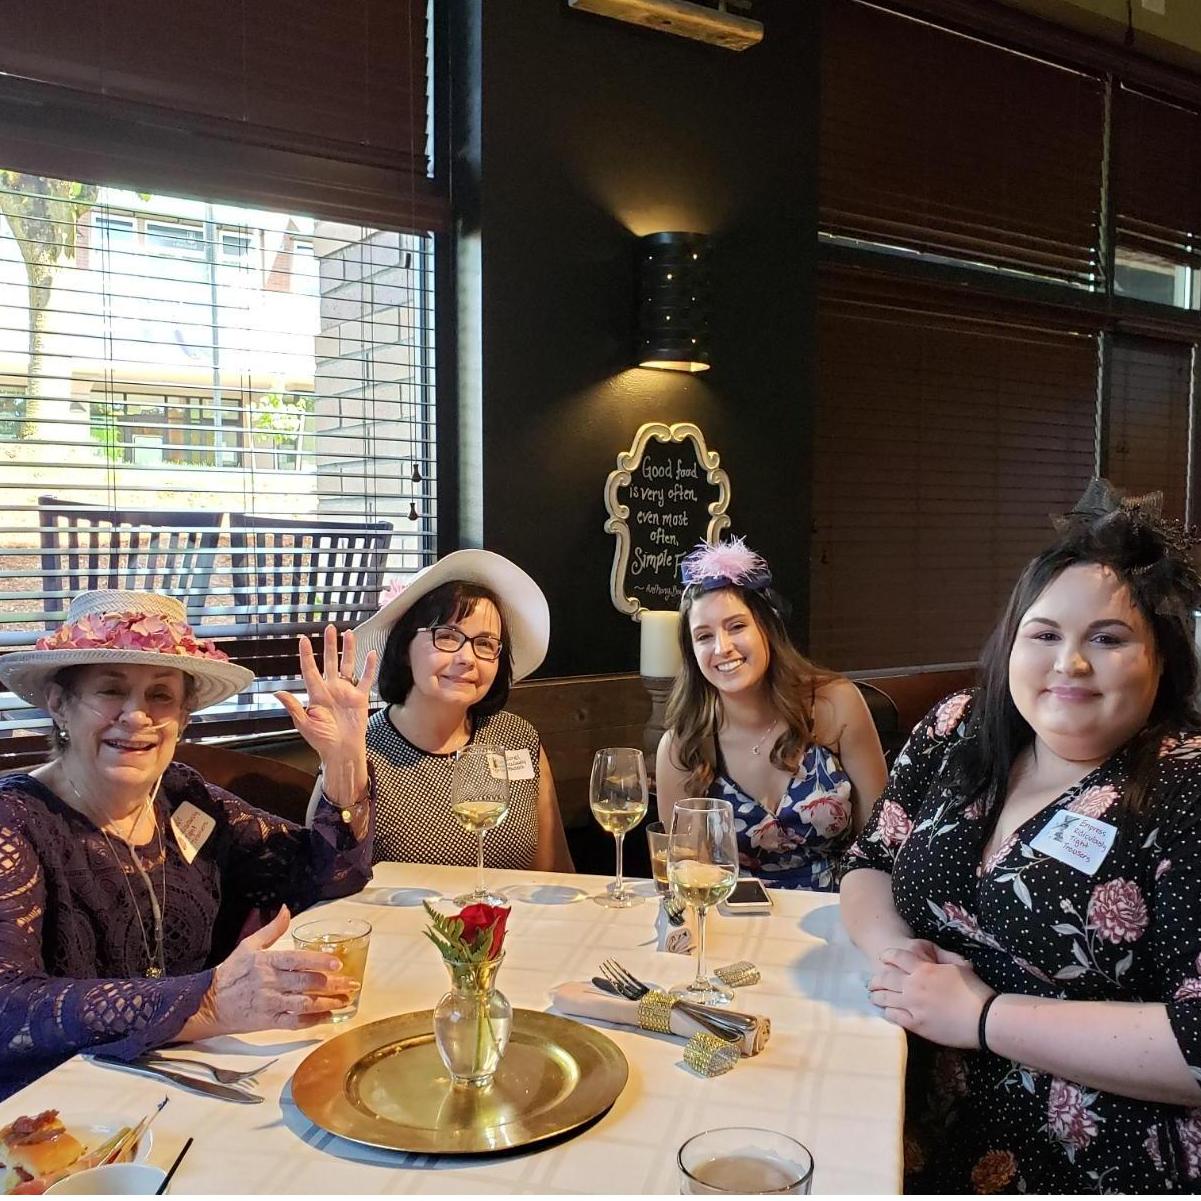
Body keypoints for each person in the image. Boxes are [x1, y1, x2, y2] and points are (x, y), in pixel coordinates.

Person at [842, 480, 1201, 1193]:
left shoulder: (1184, 787)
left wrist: (981, 1015)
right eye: (1044, 635)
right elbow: (868, 861)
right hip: (902, 1121)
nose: (1068, 663)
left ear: (1160, 660)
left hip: (1093, 1165)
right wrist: (895, 954)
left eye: (1107, 638)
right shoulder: (959, 727)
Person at [0, 589, 378, 1098]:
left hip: (181, 1084)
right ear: (59, 704)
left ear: (183, 717)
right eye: (111, 691)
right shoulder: (15, 822)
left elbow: (328, 874)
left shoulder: (180, 795)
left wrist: (343, 759)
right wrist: (205, 1000)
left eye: (161, 696)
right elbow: (9, 1008)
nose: (137, 716)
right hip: (61, 1113)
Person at [656, 537, 887, 890]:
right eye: (704, 636)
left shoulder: (836, 705)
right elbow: (685, 880)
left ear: (767, 627)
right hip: (731, 925)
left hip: (842, 915)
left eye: (736, 626)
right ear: (692, 653)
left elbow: (883, 841)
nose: (722, 648)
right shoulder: (680, 746)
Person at [350, 549, 573, 871]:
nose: (468, 658)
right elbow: (327, 877)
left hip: (516, 921)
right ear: (402, 648)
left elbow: (555, 873)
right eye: (447, 636)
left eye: (485, 643)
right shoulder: (360, 749)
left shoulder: (518, 737)